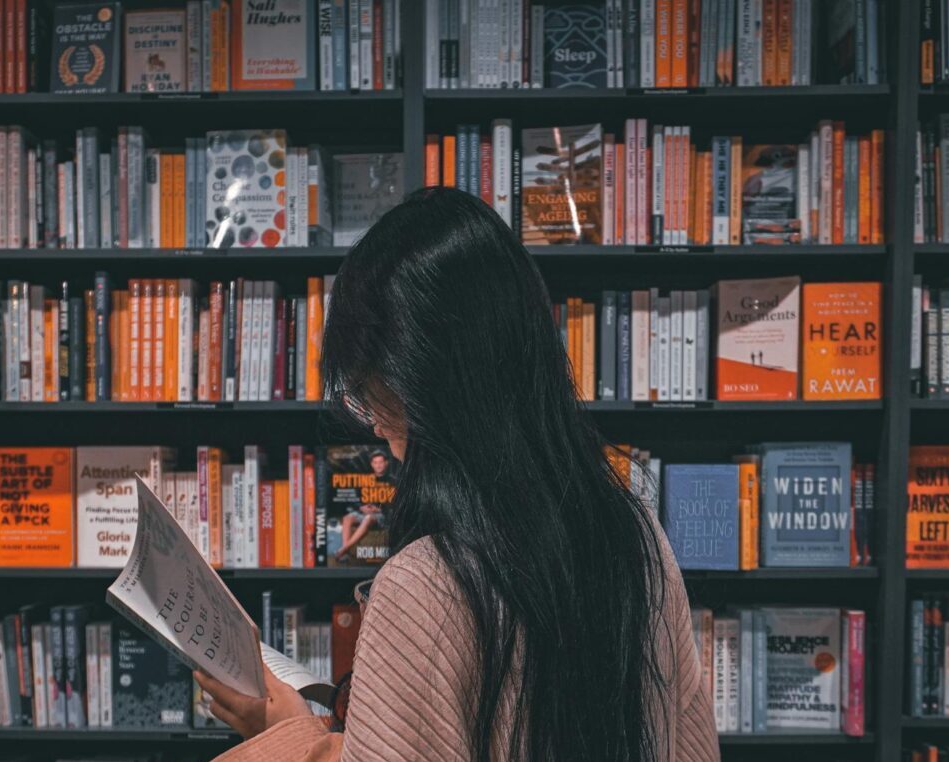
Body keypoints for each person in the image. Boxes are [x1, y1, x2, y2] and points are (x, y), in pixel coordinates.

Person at [195, 188, 718, 761]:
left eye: (370, 386)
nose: (370, 422)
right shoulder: (635, 537)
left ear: (422, 384)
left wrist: (282, 733)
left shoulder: (423, 586)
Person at [334, 450, 394, 561]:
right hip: (365, 512)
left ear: (386, 463)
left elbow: (394, 504)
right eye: (375, 463)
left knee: (368, 518)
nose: (378, 465)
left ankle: (343, 550)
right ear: (372, 464)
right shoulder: (366, 479)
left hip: (382, 516)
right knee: (347, 518)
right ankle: (345, 554)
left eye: (380, 462)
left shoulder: (392, 481)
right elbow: (356, 499)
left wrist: (379, 508)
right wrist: (361, 507)